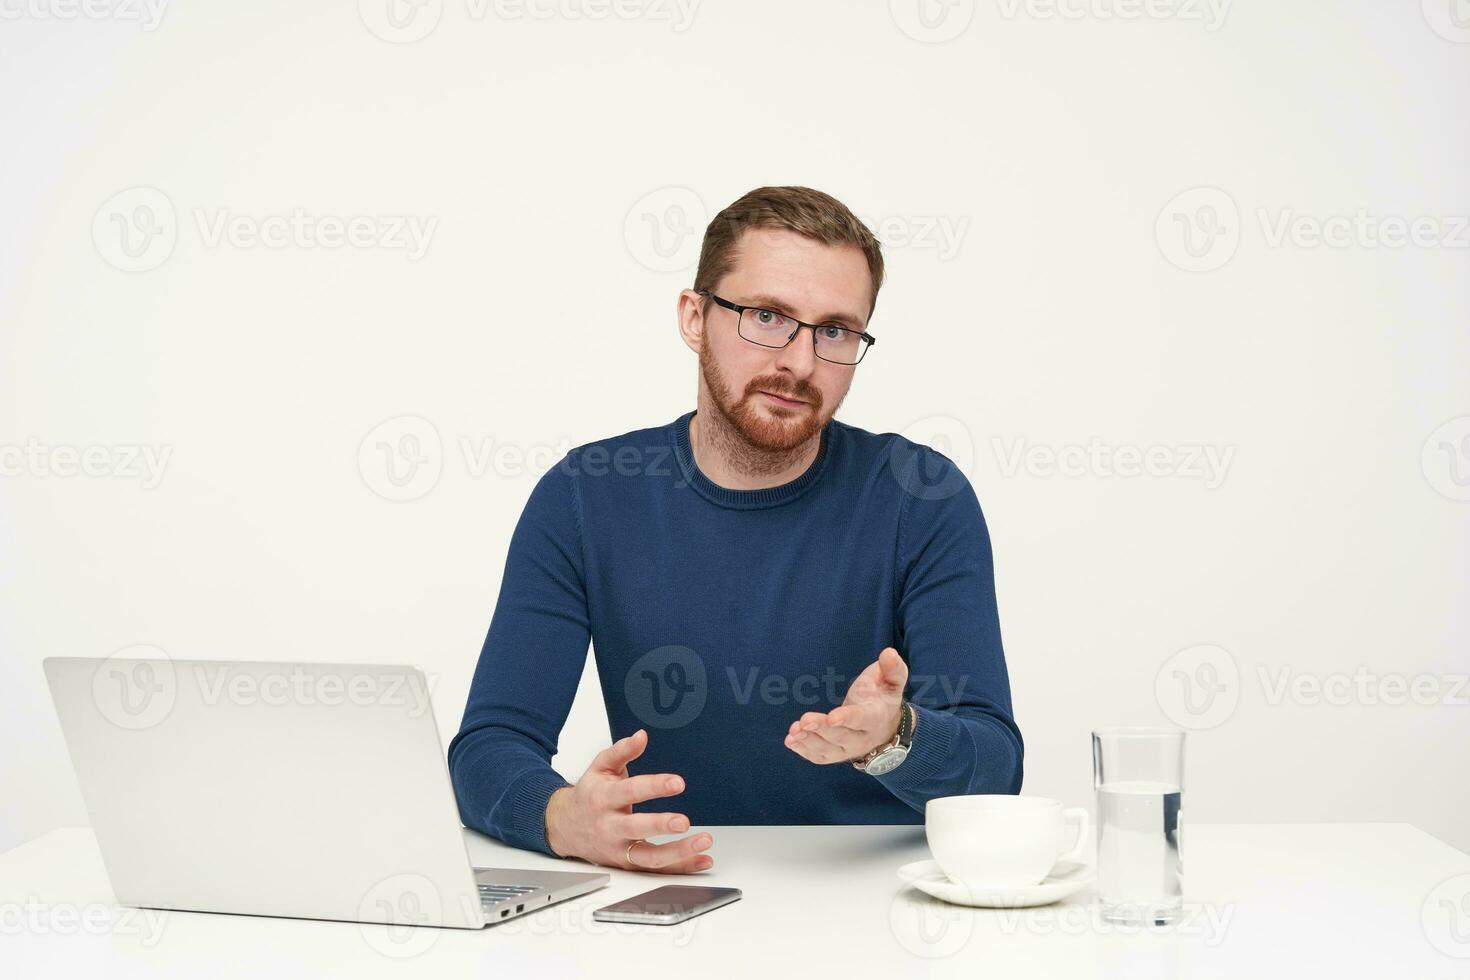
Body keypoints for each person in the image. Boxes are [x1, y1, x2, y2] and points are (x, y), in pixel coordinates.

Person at [448, 185, 1022, 874]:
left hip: (878, 902)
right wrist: (559, 818)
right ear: (695, 317)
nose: (801, 363)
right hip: (678, 893)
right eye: (767, 316)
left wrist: (892, 736)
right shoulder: (586, 496)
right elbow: (489, 745)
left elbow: (995, 768)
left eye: (835, 330)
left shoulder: (921, 496)